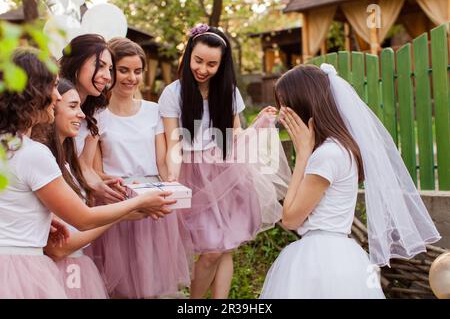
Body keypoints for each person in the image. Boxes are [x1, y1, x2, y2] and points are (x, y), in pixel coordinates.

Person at [0, 48, 174, 298]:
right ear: (34, 93)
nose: (57, 97)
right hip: (20, 270)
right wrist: (140, 202)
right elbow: (83, 219)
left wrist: (41, 222)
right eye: (53, 87)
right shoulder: (32, 154)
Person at [260, 63, 441, 298]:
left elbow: (291, 218)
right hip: (342, 255)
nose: (283, 114)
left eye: (286, 105)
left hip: (321, 261)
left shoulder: (326, 155)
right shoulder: (339, 148)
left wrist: (303, 154)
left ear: (303, 104)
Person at [159, 24, 290, 299]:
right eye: (198, 61)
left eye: (211, 64)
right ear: (188, 56)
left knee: (225, 246)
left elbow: (235, 135)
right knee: (211, 250)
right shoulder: (173, 93)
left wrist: (259, 126)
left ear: (222, 64)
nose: (203, 69)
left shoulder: (228, 91)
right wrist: (172, 178)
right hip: (193, 173)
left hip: (226, 172)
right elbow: (173, 143)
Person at [81, 37, 193, 298]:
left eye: (137, 71)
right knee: (119, 285)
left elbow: (163, 160)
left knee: (151, 282)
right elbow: (95, 170)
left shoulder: (153, 111)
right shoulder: (97, 115)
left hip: (151, 201)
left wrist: (171, 186)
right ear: (110, 72)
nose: (131, 77)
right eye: (123, 70)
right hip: (118, 202)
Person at [59, 34, 125, 205]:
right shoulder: (53, 102)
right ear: (77, 63)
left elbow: (84, 166)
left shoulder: (98, 111)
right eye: (100, 65)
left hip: (78, 196)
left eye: (109, 69)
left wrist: (102, 187)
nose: (108, 76)